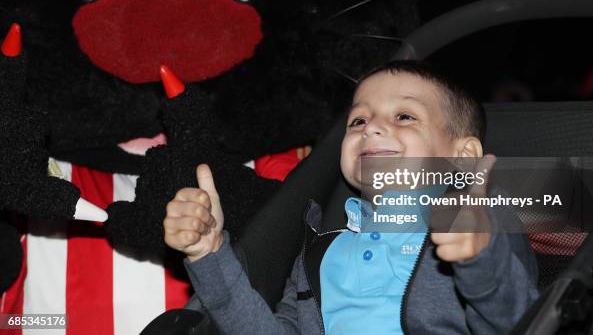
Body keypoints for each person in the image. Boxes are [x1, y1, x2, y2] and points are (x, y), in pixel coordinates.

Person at [163, 60, 539, 334]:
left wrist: (479, 259)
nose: (372, 127)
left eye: (404, 116)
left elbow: (518, 321)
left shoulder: (481, 223)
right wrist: (209, 254)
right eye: (358, 120)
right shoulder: (322, 251)